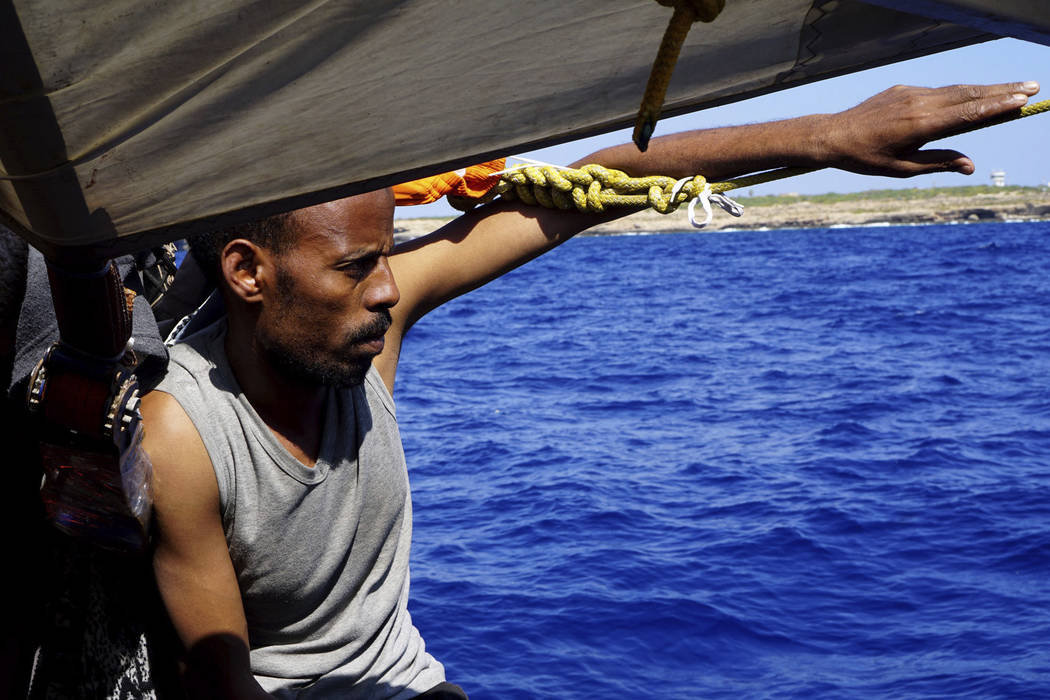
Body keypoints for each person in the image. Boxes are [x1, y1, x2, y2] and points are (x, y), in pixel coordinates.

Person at [140, 81, 1039, 699]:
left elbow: (586, 189)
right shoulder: (186, 433)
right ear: (248, 274)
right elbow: (221, 683)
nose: (390, 287)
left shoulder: (368, 332)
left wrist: (825, 137)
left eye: (389, 258)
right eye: (357, 266)